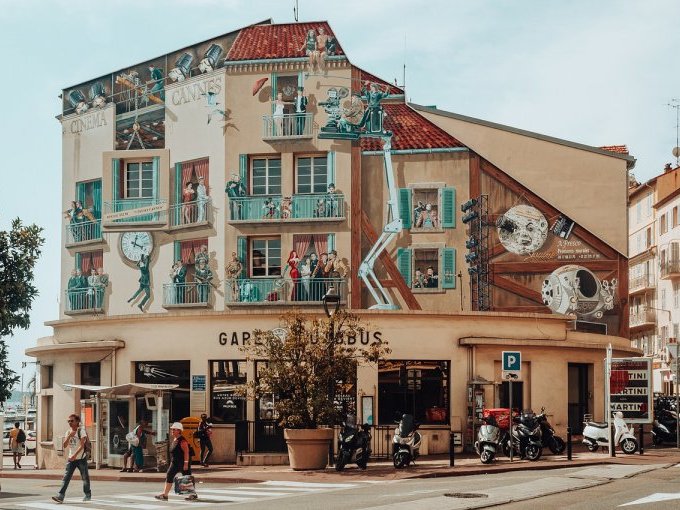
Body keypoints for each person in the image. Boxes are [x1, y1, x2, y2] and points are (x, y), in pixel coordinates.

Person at [52, 414, 91, 503]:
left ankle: (87, 494)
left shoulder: (81, 431)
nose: (70, 422)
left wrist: (75, 455)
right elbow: (64, 445)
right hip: (71, 458)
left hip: (81, 458)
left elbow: (82, 446)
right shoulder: (68, 432)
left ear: (77, 421)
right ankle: (60, 496)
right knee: (66, 478)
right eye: (68, 421)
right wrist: (70, 435)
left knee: (85, 477)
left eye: (72, 421)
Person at [156, 422, 196, 501]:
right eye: (172, 429)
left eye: (174, 429)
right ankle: (165, 495)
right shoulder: (175, 439)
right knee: (169, 475)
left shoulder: (182, 441)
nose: (172, 431)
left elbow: (186, 452)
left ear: (179, 431)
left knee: (187, 477)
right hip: (175, 462)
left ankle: (193, 495)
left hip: (182, 462)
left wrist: (186, 464)